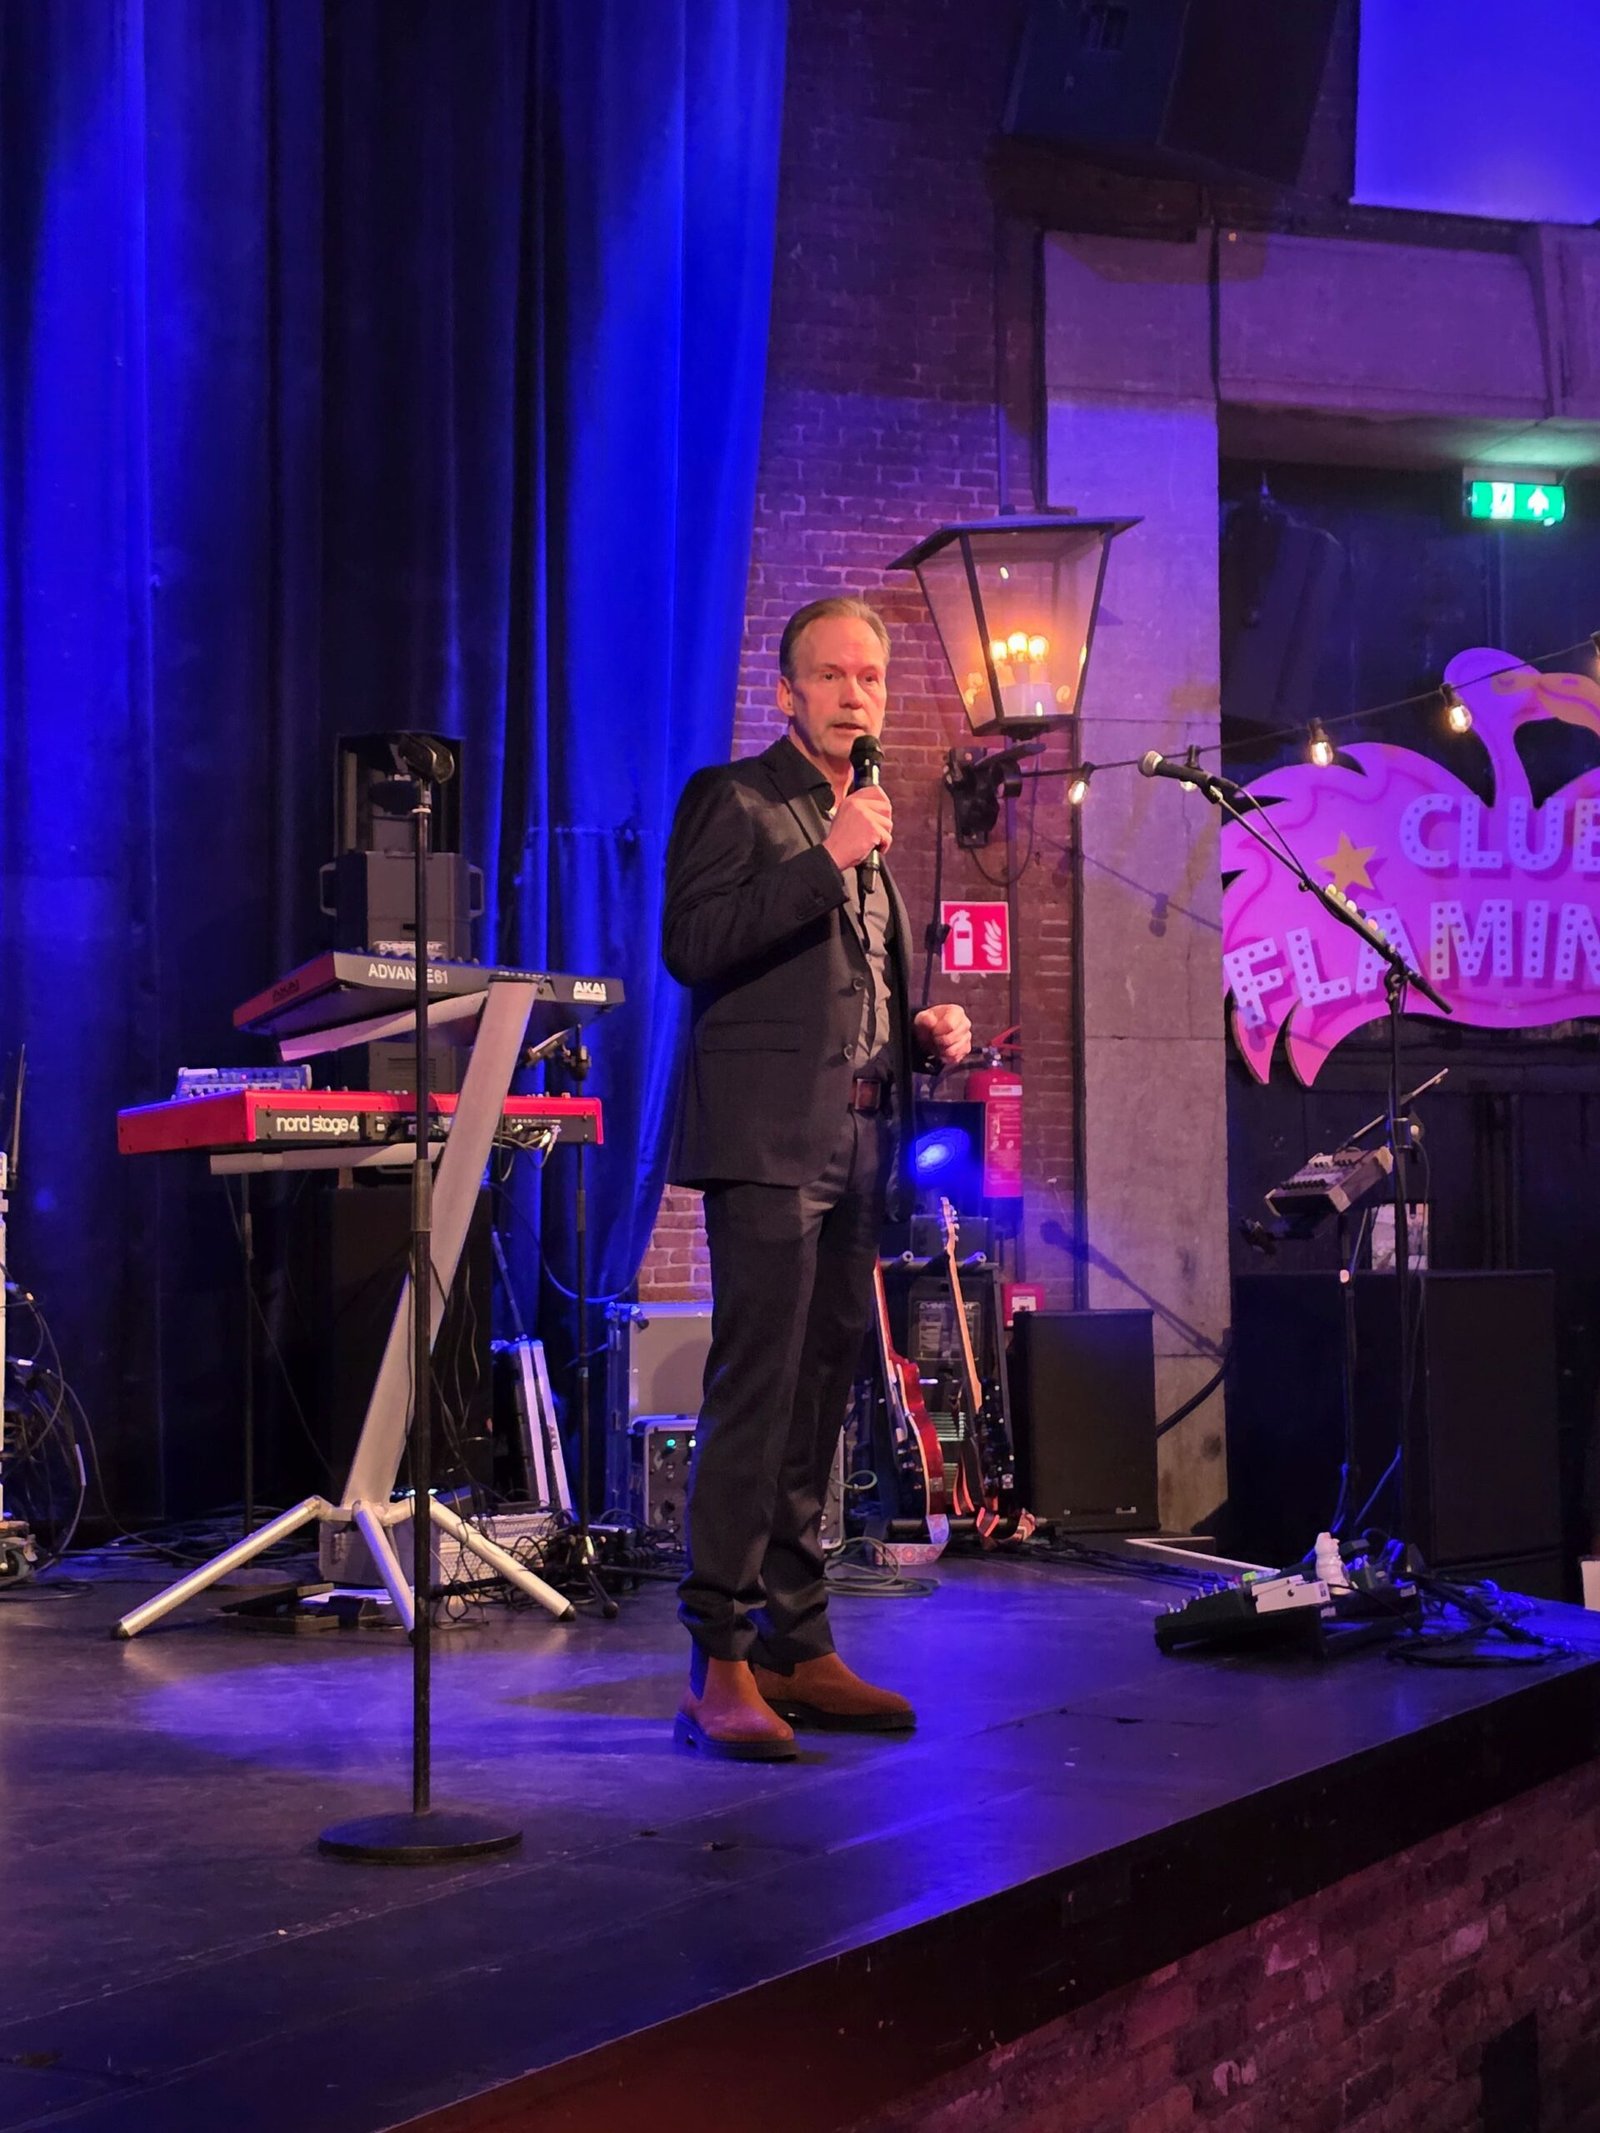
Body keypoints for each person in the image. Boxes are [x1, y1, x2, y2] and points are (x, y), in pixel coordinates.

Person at [661, 595, 971, 1759]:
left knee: (820, 1403)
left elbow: (851, 997)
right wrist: (825, 858)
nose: (854, 696)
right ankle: (717, 1658)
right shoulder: (735, 799)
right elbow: (693, 944)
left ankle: (795, 1641)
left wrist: (922, 1033)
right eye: (832, 676)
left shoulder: (873, 823)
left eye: (871, 678)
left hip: (859, 1145)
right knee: (755, 1395)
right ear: (786, 691)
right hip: (768, 1146)